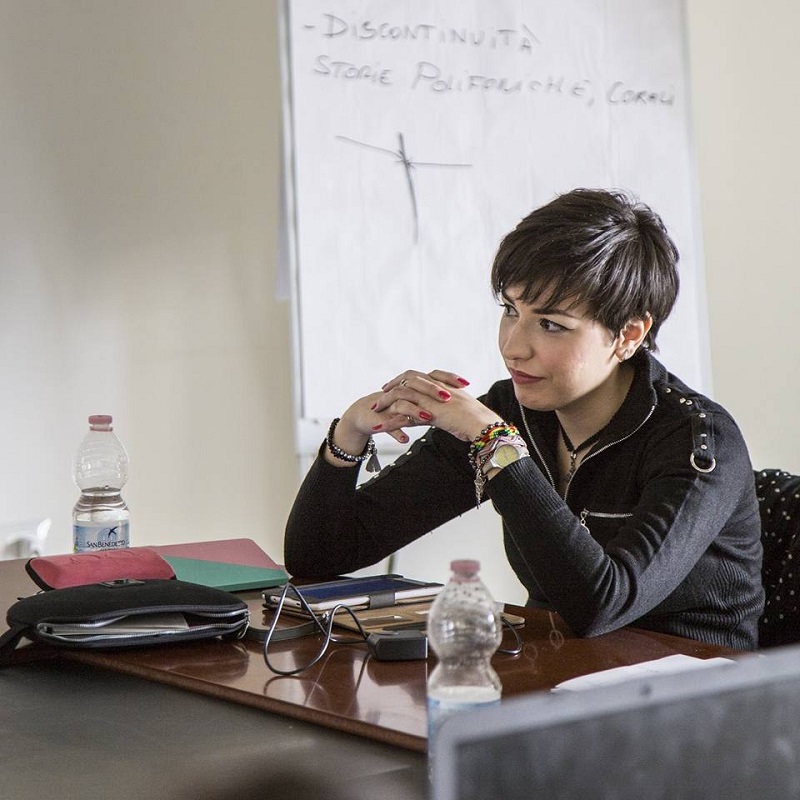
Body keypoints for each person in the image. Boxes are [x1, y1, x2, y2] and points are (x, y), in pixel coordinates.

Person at [284, 188, 764, 650]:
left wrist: (495, 444)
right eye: (510, 311)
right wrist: (349, 434)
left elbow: (602, 604)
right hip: (556, 672)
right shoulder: (508, 413)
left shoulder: (698, 439)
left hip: (696, 684)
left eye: (551, 325)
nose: (514, 347)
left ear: (628, 335)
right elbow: (319, 556)